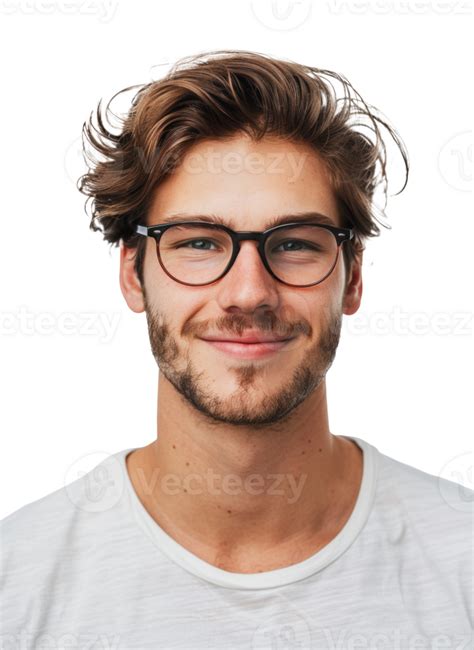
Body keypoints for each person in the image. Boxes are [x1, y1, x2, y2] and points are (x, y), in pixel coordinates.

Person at [1, 50, 472, 649]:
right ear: (132, 275)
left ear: (351, 278)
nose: (248, 293)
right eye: (198, 241)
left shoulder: (462, 566)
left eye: (296, 244)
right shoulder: (16, 587)